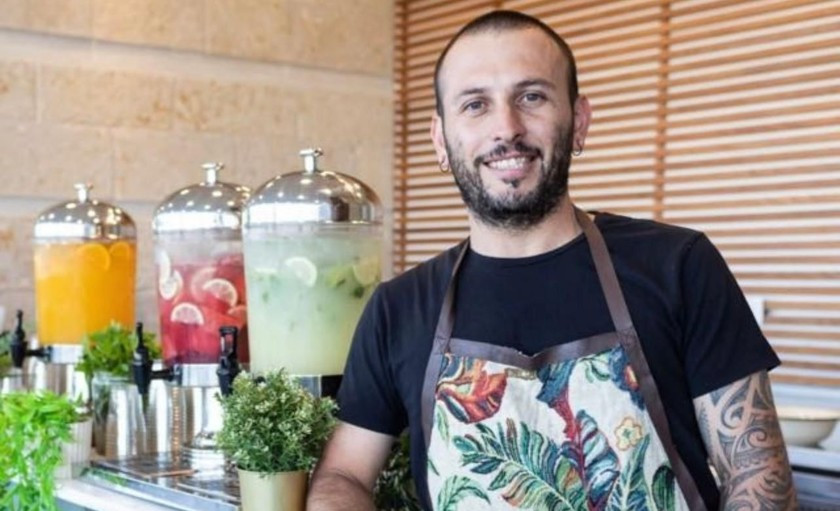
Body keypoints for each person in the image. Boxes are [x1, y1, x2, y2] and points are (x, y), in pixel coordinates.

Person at [308, 10, 795, 511]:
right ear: (441, 140)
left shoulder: (679, 267)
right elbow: (344, 474)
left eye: (532, 97)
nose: (506, 127)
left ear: (578, 122)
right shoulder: (398, 309)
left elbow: (756, 476)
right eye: (475, 104)